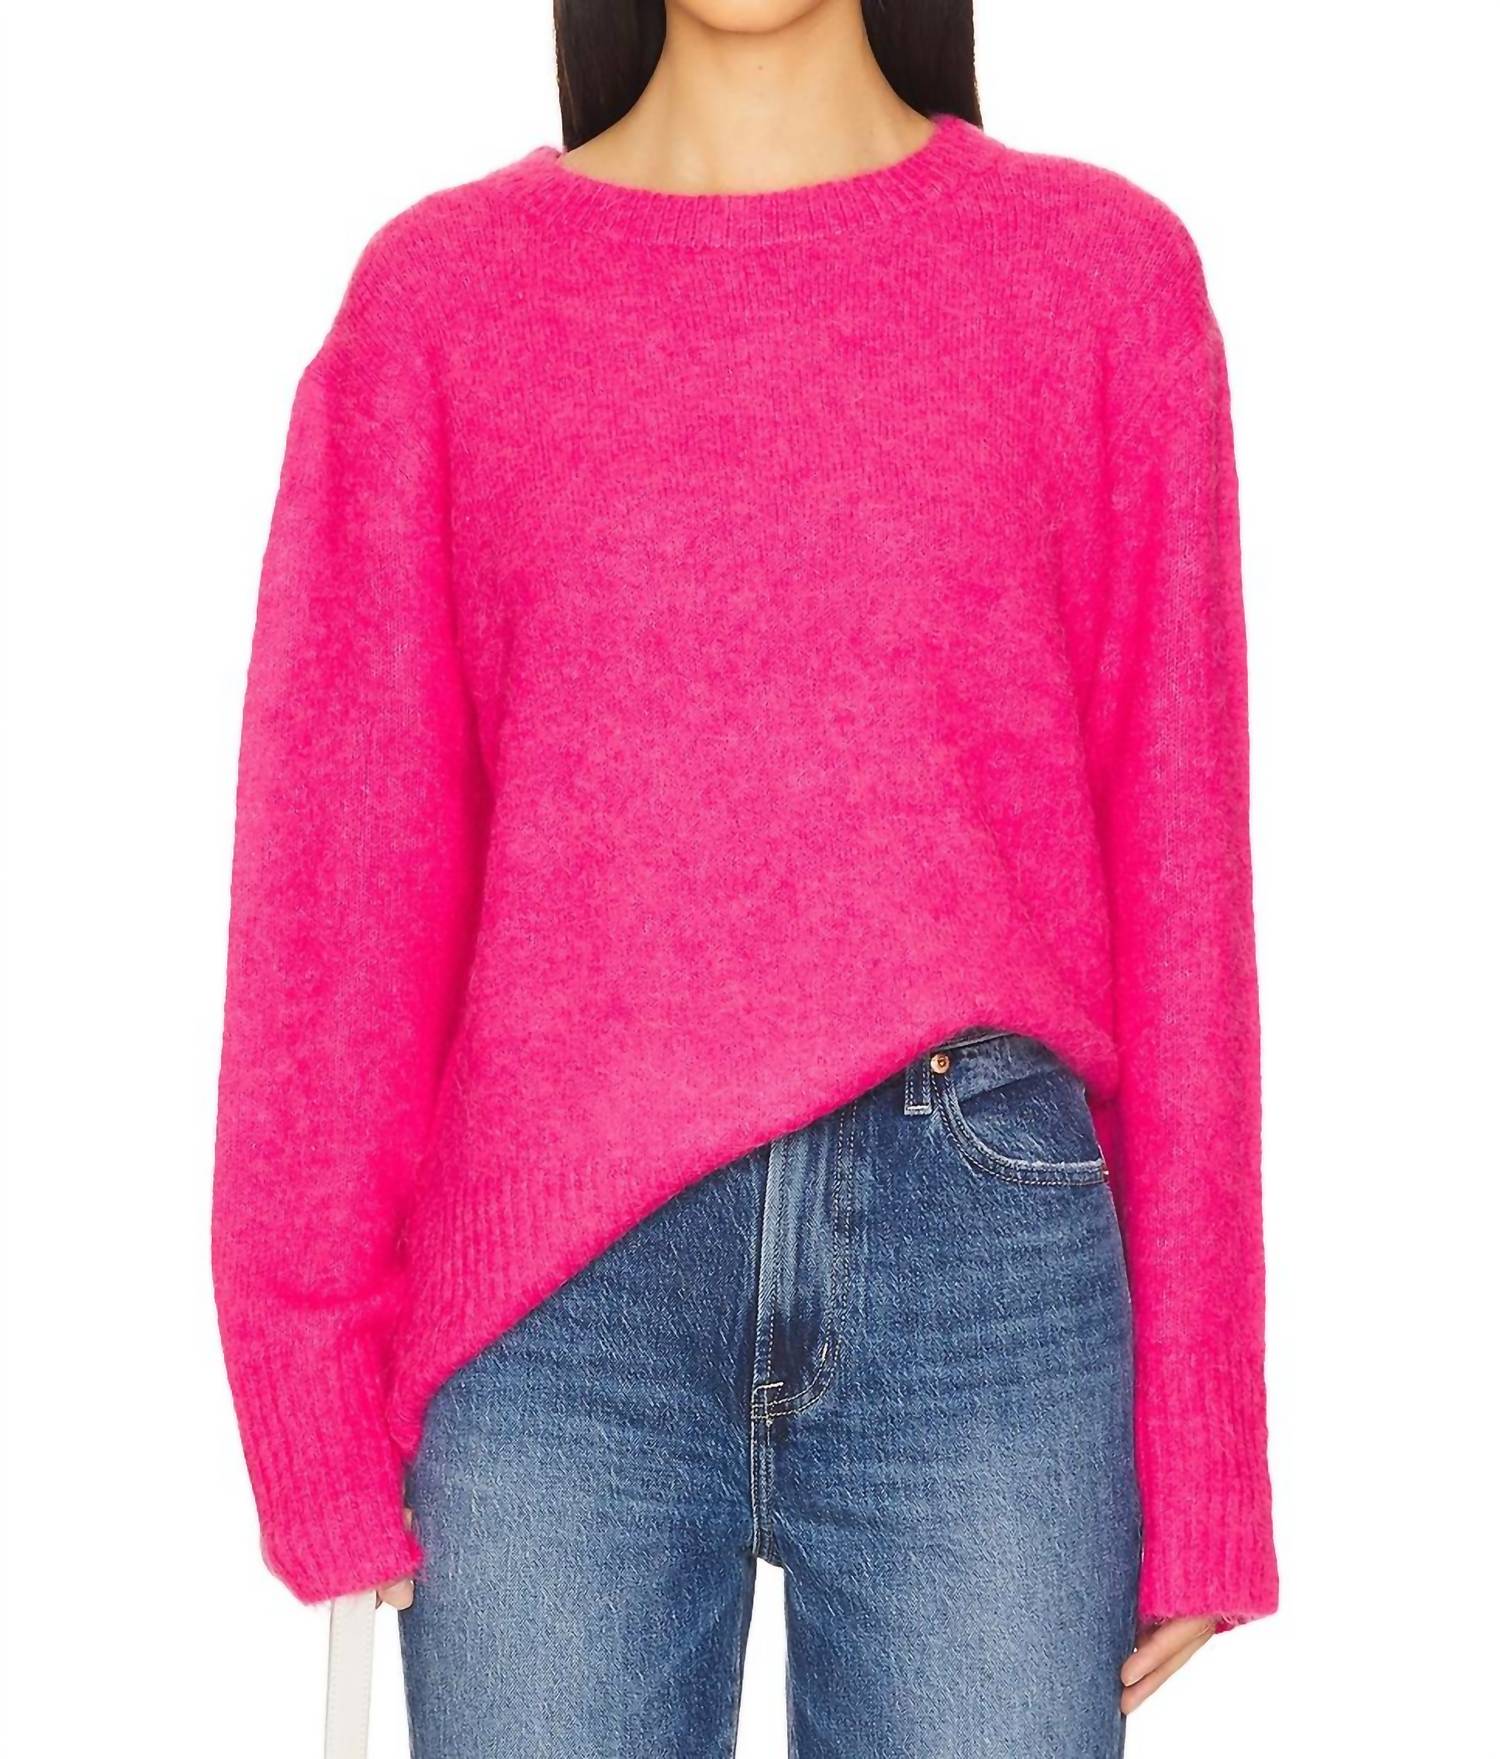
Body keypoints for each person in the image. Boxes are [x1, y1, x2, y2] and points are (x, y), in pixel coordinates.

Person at [210, 2, 1279, 1752]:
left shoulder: (1097, 278)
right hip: (551, 1304)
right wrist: (309, 1385)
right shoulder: (443, 302)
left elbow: (1182, 870)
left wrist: (1207, 1444)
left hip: (983, 1278)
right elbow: (340, 894)